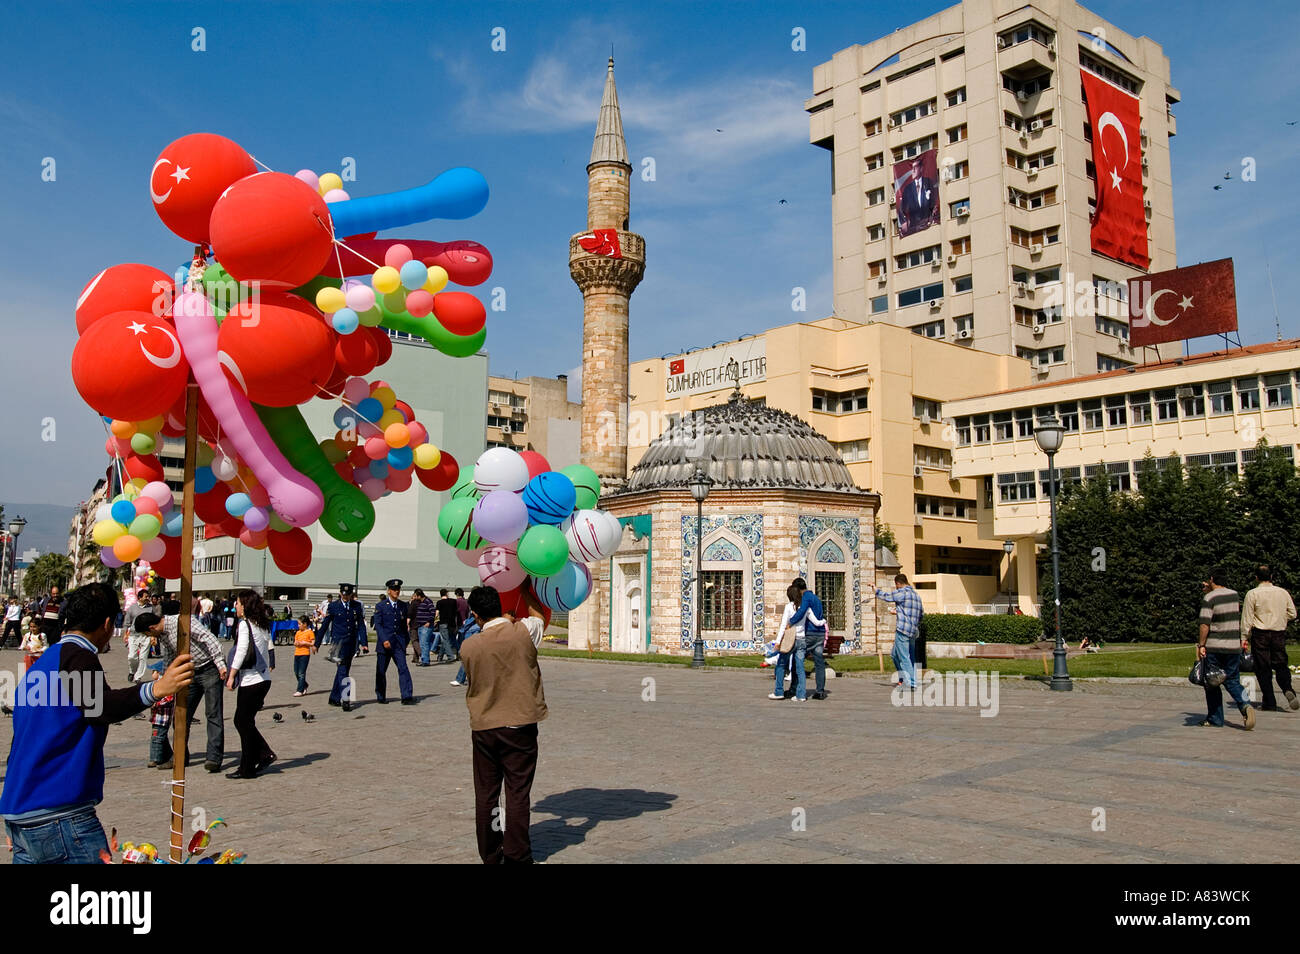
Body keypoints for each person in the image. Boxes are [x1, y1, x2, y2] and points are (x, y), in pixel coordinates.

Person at [0, 582, 193, 863]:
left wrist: (13, 812)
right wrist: (156, 689)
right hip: (60, 813)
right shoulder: (77, 656)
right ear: (106, 624)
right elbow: (100, 706)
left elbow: (22, 739)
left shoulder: (43, 663)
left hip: (22, 811)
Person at [460, 586, 548, 864]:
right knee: (518, 793)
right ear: (500, 606)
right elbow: (538, 617)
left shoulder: (469, 647)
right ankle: (517, 854)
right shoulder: (525, 632)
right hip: (520, 725)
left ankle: (491, 852)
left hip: (485, 726)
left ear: (475, 615)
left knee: (487, 794)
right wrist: (525, 590)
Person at [155, 599, 229, 772]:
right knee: (181, 715)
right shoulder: (162, 635)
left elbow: (209, 638)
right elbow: (169, 658)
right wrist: (167, 681)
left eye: (148, 635)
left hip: (209, 667)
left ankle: (214, 758)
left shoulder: (183, 622)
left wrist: (220, 664)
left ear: (152, 628)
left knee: (213, 714)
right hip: (190, 672)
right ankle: (180, 757)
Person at [225, 589, 276, 779]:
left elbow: (242, 650)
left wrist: (231, 675)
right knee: (245, 721)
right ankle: (263, 754)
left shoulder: (245, 624)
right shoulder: (261, 623)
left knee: (242, 722)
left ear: (245, 605)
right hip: (263, 680)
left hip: (252, 680)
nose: (235, 606)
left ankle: (248, 767)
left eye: (237, 603)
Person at [1195, 568, 1254, 730]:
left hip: (1215, 646)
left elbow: (1205, 624)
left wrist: (1201, 645)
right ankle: (1246, 705)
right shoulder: (1234, 595)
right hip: (1233, 646)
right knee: (1233, 680)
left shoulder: (1209, 598)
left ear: (1212, 579)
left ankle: (1215, 718)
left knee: (1212, 683)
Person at [1241, 565, 1298, 712]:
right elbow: (1293, 613)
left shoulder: (1252, 594)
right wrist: (1280, 617)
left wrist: (1244, 637)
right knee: (1280, 663)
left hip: (1260, 633)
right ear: (1271, 577)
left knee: (1263, 668)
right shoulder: (1282, 592)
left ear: (1256, 578)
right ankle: (1287, 688)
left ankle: (1269, 701)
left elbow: (1247, 618)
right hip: (1278, 632)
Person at [770, 584, 825, 701]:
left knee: (781, 664)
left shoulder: (789, 607)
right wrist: (824, 621)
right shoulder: (806, 608)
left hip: (790, 640)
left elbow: (784, 626)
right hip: (801, 640)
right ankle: (801, 695)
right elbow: (816, 621)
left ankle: (778, 691)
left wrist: (778, 642)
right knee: (800, 668)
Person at [877, 573, 924, 690]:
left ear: (898, 584)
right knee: (896, 655)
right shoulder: (916, 596)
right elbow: (921, 614)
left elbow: (887, 596)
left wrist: (875, 589)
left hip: (902, 630)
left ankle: (910, 683)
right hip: (913, 631)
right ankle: (904, 678)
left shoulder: (902, 593)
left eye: (896, 586)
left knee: (904, 657)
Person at [373, 579, 414, 705]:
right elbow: (378, 625)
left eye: (398, 589)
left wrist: (406, 640)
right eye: (394, 589)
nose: (396, 591)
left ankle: (406, 696)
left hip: (398, 644)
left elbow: (404, 625)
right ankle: (381, 696)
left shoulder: (403, 606)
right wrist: (384, 639)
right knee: (381, 671)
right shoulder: (381, 606)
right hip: (385, 644)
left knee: (403, 668)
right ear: (389, 591)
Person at [787, 578, 830, 700]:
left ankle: (794, 689)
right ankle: (820, 691)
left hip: (810, 633)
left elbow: (802, 611)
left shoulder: (806, 597)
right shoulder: (816, 598)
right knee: (819, 663)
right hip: (820, 634)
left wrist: (791, 622)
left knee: (797, 660)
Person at [327, 583, 367, 712]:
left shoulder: (356, 606)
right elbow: (325, 625)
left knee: (343, 670)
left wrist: (364, 643)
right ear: (340, 594)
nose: (345, 596)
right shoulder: (333, 606)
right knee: (343, 670)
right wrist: (316, 643)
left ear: (351, 595)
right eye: (343, 594)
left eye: (348, 594)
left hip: (351, 643)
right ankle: (346, 699)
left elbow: (361, 625)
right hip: (338, 644)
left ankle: (334, 697)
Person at [897, 156, 938, 235]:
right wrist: (903, 222)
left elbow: (934, 201)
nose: (913, 170)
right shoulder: (908, 189)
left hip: (929, 223)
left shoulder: (928, 182)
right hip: (914, 227)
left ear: (921, 168)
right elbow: (901, 208)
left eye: (915, 167)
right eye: (912, 168)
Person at [124, 590, 154, 684]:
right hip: (133, 635)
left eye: (148, 596)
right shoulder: (132, 608)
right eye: (146, 596)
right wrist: (125, 633)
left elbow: (153, 622)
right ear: (140, 597)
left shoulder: (151, 608)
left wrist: (153, 636)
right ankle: (132, 671)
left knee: (143, 657)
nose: (148, 598)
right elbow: (127, 622)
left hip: (146, 635)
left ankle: (138, 677)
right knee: (132, 656)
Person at [450, 613, 481, 688]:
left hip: (472, 642)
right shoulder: (473, 624)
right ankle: (462, 679)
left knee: (468, 659)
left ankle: (460, 679)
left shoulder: (474, 625)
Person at [411, 588, 437, 666]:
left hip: (426, 626)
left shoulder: (428, 601)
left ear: (419, 596)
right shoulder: (420, 602)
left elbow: (433, 612)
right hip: (420, 625)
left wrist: (429, 621)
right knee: (423, 644)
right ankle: (425, 659)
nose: (415, 597)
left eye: (416, 596)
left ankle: (425, 661)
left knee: (424, 643)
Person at [435, 588, 461, 662]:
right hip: (452, 623)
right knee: (449, 639)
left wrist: (435, 622)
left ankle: (450, 656)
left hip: (443, 623)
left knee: (445, 640)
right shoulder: (453, 601)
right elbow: (456, 612)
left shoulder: (439, 602)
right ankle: (440, 656)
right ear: (447, 593)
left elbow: (437, 613)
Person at [293, 615, 315, 697]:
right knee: (296, 671)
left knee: (301, 673)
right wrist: (296, 643)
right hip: (297, 653)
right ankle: (304, 684)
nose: (298, 626)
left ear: (305, 624)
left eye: (299, 624)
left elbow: (313, 643)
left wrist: (305, 643)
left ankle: (300, 690)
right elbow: (295, 642)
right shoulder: (298, 632)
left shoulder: (310, 632)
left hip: (305, 654)